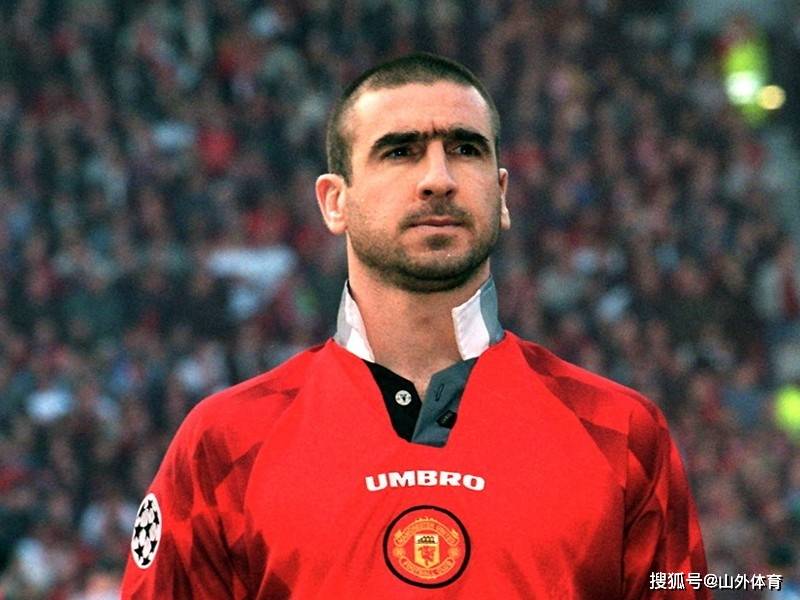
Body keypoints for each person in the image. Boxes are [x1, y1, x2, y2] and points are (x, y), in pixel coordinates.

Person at [121, 52, 709, 599]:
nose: (438, 179)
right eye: (400, 152)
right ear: (334, 202)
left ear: (501, 193)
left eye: (466, 150)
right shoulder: (224, 443)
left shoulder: (622, 434)